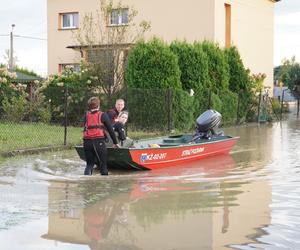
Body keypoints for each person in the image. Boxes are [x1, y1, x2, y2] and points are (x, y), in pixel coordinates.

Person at [83, 97, 119, 175]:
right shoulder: (103, 115)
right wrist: (115, 142)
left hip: (87, 142)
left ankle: (86, 183)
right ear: (98, 105)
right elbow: (111, 130)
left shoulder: (86, 115)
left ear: (89, 106)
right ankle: (104, 185)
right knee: (103, 165)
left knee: (89, 165)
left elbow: (85, 128)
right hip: (98, 141)